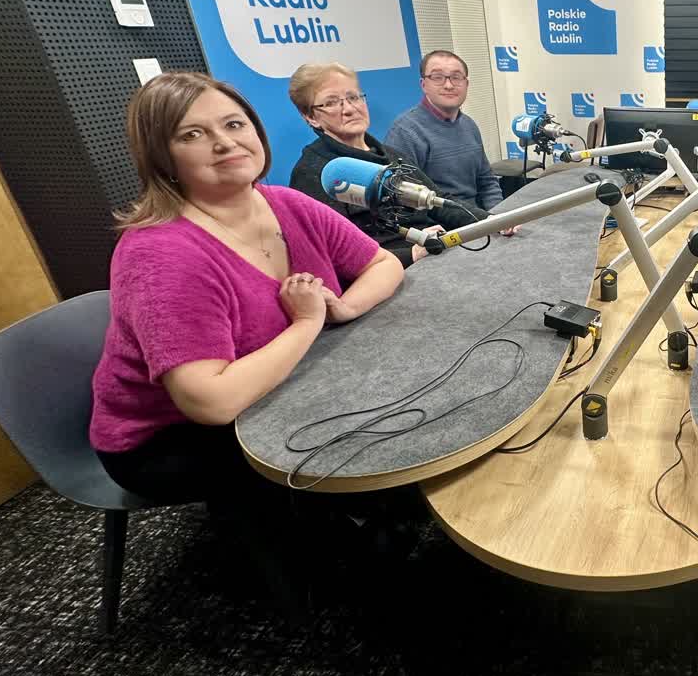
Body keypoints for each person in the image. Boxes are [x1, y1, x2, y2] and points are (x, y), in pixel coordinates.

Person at [90, 72, 404, 505]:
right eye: (193, 134)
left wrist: (346, 307)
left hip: (276, 387)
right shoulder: (159, 254)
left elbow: (383, 264)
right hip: (167, 437)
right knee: (337, 445)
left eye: (234, 124)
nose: (224, 142)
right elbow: (211, 403)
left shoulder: (289, 204)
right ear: (161, 157)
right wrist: (307, 323)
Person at [286, 61, 487, 267]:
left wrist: (490, 222)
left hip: (434, 253)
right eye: (331, 103)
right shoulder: (313, 173)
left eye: (353, 97)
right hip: (390, 269)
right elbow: (335, 253)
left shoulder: (391, 155)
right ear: (311, 117)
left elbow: (439, 203)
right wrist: (412, 253)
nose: (349, 109)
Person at [383, 50, 518, 235]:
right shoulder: (405, 132)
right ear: (424, 84)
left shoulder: (469, 125)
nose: (448, 85)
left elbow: (486, 182)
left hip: (479, 222)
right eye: (438, 77)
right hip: (442, 233)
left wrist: (498, 217)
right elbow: (405, 202)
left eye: (456, 77)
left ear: (466, 84)